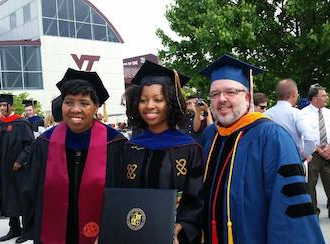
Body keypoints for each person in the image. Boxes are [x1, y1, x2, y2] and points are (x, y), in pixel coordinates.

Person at [199, 54, 324, 243]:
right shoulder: (210, 136)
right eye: (215, 94)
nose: (221, 99)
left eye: (230, 92)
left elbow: (289, 210)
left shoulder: (272, 137)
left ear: (247, 97)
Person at [21, 68, 128, 244]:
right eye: (69, 102)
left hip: (101, 234)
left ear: (96, 106)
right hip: (54, 231)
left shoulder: (115, 143)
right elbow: (31, 191)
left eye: (84, 103)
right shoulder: (45, 142)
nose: (75, 109)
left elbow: (123, 196)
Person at [121, 61, 204, 244]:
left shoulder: (189, 148)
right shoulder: (130, 148)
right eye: (143, 100)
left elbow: (196, 197)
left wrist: (180, 227)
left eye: (158, 99)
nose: (149, 105)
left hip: (173, 236)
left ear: (171, 102)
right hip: (135, 233)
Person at [0, 94, 35, 243]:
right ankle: (14, 228)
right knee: (9, 198)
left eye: (4, 105)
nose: (2, 108)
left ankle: (26, 230)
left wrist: (20, 161)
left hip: (19, 169)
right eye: (0, 105)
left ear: (11, 106)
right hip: (4, 169)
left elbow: (30, 145)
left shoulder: (21, 123)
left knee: (21, 197)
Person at [265, 79, 316, 161]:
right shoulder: (297, 114)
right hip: (292, 162)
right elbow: (310, 139)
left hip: (270, 161)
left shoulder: (266, 115)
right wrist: (303, 156)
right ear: (294, 93)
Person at [302, 84, 330, 218]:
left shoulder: (328, 113)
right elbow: (304, 135)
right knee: (310, 184)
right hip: (312, 153)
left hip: (329, 151)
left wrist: (328, 148)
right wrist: (319, 149)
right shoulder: (303, 114)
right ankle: (313, 213)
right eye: (323, 95)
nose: (327, 97)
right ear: (314, 98)